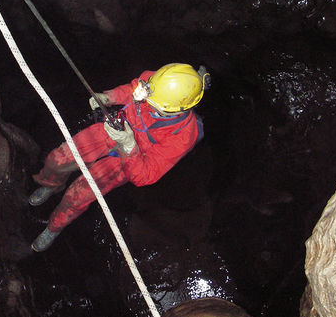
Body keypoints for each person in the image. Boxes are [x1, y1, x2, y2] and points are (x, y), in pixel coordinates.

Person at [29, 63, 210, 252]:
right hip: (114, 128)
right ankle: (51, 184)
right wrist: (109, 97)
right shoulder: (158, 82)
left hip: (131, 159)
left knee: (77, 197)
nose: (145, 100)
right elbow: (132, 89)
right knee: (56, 160)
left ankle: (54, 227)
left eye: (152, 101)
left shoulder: (183, 136)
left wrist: (129, 146)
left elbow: (145, 175)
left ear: (175, 109)